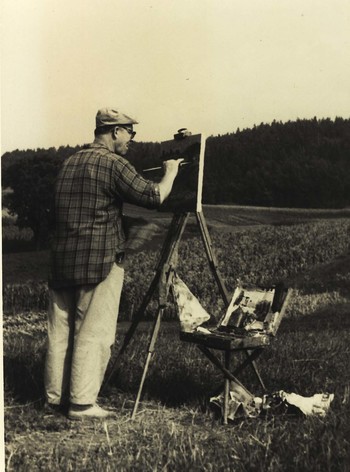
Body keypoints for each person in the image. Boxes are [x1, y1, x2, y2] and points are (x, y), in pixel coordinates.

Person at [45, 107, 182, 420]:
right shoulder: (112, 163)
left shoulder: (69, 162)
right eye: (129, 132)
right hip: (99, 261)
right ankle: (81, 404)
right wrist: (171, 171)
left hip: (62, 261)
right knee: (94, 332)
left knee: (60, 334)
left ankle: (54, 400)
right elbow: (154, 196)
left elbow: (84, 209)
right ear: (115, 131)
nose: (132, 138)